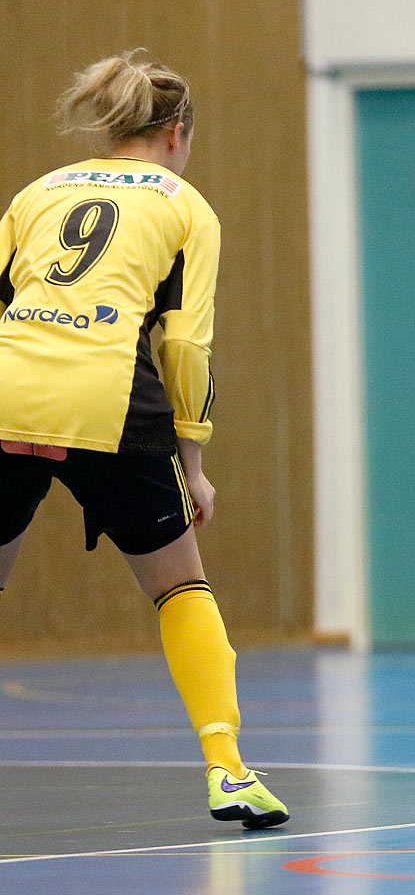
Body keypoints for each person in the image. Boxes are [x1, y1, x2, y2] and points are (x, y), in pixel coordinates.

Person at [0, 51, 289, 830]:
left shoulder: (40, 191)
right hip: (108, 401)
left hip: (7, 390)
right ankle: (227, 771)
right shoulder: (184, 206)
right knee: (179, 587)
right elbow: (186, 346)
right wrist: (193, 463)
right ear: (178, 133)